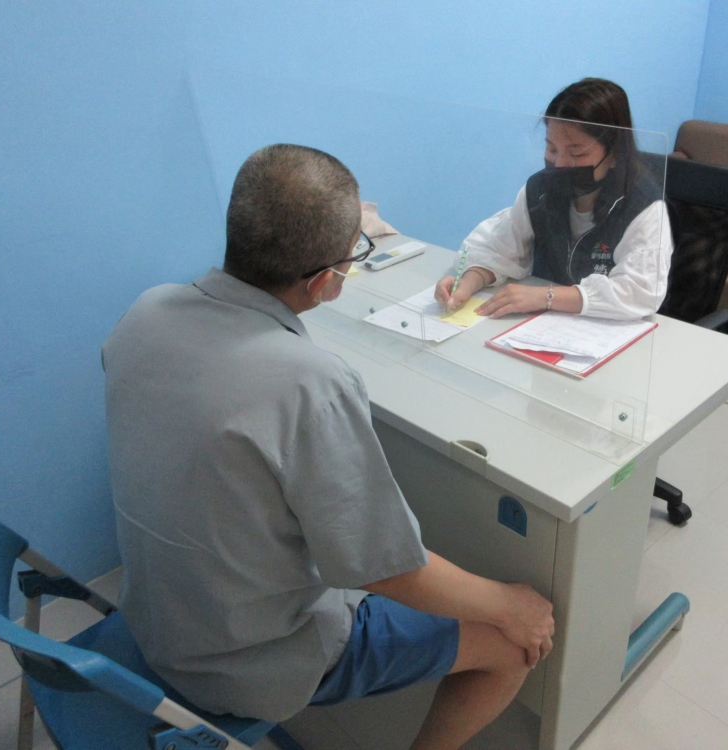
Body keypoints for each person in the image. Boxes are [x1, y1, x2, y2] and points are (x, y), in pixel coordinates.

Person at [102, 144, 554, 750]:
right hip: (242, 663)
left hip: (159, 620)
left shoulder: (146, 311)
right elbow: (388, 569)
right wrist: (508, 605)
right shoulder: (308, 382)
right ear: (326, 282)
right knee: (514, 641)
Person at [435, 78, 673, 320]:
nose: (559, 164)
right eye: (551, 149)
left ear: (613, 155)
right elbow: (500, 247)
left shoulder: (643, 205)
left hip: (610, 329)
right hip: (542, 326)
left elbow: (637, 292)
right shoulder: (541, 190)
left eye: (576, 153)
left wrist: (546, 297)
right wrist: (468, 282)